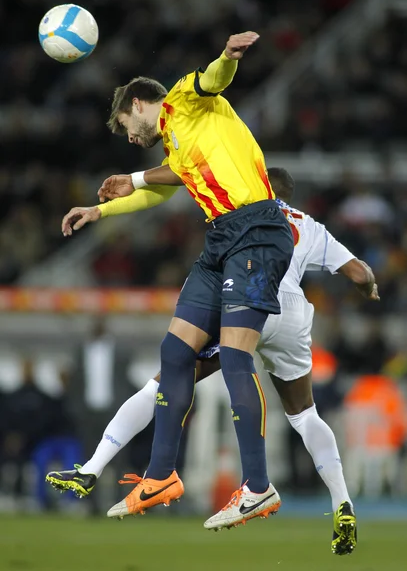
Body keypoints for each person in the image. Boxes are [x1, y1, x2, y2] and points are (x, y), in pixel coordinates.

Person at [50, 167, 379, 553]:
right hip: (292, 314)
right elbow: (359, 273)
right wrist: (370, 286)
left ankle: (94, 467)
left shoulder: (245, 208)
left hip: (252, 298)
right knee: (305, 414)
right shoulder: (309, 225)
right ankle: (342, 502)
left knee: (167, 380)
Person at [61, 31, 295, 530]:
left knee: (233, 356)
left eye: (126, 126)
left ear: (140, 104)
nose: (128, 137)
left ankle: (258, 487)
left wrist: (228, 57)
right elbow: (160, 189)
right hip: (220, 240)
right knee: (174, 354)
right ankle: (161, 474)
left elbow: (214, 80)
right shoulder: (176, 142)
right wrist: (101, 210)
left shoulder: (185, 100)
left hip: (256, 230)